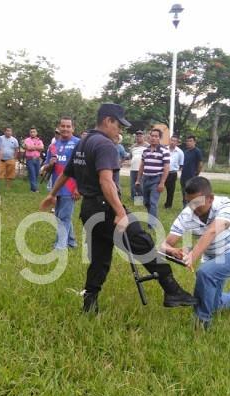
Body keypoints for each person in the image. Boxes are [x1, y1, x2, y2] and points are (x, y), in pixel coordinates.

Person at [40, 103, 196, 313]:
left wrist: (52, 194)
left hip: (89, 210)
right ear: (107, 121)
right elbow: (106, 181)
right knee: (142, 241)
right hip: (106, 209)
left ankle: (90, 302)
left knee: (100, 258)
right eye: (118, 125)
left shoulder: (84, 142)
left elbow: (67, 173)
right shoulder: (105, 145)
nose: (120, 130)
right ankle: (172, 290)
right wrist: (121, 213)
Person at [161, 177, 230, 330]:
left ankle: (201, 323)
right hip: (211, 258)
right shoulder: (187, 214)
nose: (193, 208)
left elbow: (212, 231)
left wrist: (192, 256)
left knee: (205, 273)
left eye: (197, 203)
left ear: (210, 198)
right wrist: (172, 250)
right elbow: (165, 244)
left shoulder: (226, 205)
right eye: (189, 202)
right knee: (213, 303)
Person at [49, 116, 81, 250]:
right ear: (59, 127)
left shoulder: (79, 144)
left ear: (73, 128)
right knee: (60, 215)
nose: (65, 129)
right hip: (57, 187)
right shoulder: (53, 146)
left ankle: (60, 246)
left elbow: (82, 168)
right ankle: (71, 242)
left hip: (71, 187)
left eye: (68, 126)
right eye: (63, 126)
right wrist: (49, 164)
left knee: (64, 217)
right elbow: (46, 167)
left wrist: (78, 188)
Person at [135, 128, 169, 229]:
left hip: (156, 179)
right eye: (152, 136)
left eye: (156, 136)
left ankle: (152, 225)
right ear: (149, 137)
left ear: (159, 138)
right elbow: (142, 165)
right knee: (146, 202)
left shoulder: (164, 151)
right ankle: (153, 217)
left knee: (153, 202)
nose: (153, 138)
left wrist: (162, 183)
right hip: (146, 179)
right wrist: (138, 179)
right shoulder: (145, 151)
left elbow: (166, 167)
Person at [180, 135, 203, 207]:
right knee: (184, 193)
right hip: (183, 176)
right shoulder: (185, 152)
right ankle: (185, 208)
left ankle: (194, 208)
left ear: (194, 142)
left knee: (192, 194)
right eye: (187, 141)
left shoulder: (197, 151)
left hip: (192, 177)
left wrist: (197, 173)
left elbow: (200, 164)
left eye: (190, 141)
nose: (188, 143)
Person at [128, 130, 148, 202]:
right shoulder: (133, 146)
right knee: (133, 185)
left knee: (140, 185)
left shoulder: (147, 146)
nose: (138, 137)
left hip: (143, 169)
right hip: (133, 169)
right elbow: (130, 156)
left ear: (144, 137)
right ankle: (133, 198)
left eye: (140, 136)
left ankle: (140, 200)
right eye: (137, 136)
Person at [165, 134, 183, 209]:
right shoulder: (164, 149)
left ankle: (168, 205)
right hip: (163, 172)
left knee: (170, 190)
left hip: (172, 173)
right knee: (158, 188)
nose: (173, 142)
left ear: (177, 142)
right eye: (172, 140)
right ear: (169, 141)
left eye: (175, 141)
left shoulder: (180, 152)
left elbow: (181, 165)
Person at [23, 127, 44, 192]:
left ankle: (32, 189)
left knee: (36, 174)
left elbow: (42, 148)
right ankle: (35, 189)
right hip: (30, 159)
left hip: (37, 159)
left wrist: (33, 147)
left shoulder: (39, 140)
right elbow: (28, 148)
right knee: (32, 174)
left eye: (34, 132)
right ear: (29, 133)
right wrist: (37, 148)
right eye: (31, 132)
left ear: (36, 133)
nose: (32, 133)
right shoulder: (27, 140)